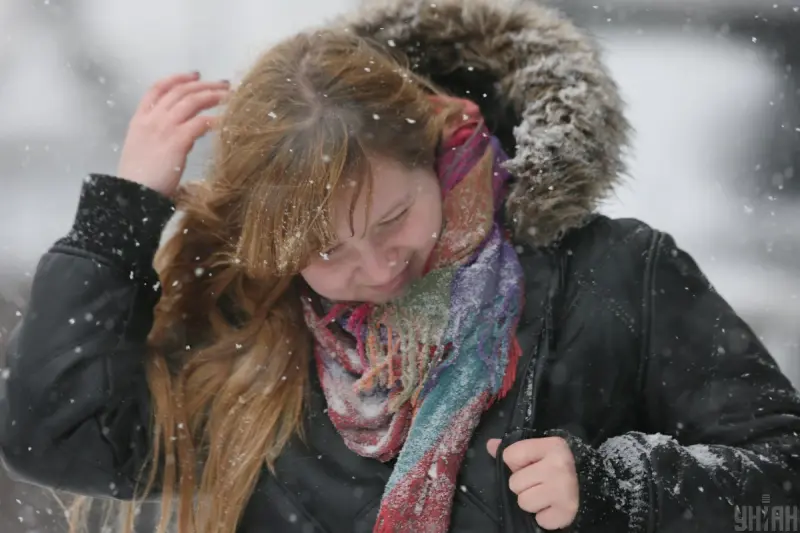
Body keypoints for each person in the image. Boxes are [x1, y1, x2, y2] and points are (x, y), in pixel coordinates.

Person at [2, 1, 800, 532]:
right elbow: (52, 437)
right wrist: (121, 213)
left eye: (392, 218)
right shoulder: (254, 337)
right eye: (325, 250)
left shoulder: (616, 274)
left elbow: (784, 490)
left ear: (433, 147)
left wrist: (619, 492)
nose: (378, 265)